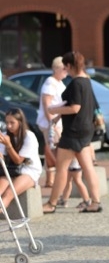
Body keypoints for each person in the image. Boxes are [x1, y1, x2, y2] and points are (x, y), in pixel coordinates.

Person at [42, 51, 102, 214]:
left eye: (66, 67)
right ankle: (95, 202)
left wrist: (54, 109)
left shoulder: (76, 83)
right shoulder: (87, 81)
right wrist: (58, 116)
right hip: (85, 129)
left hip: (73, 131)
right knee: (88, 167)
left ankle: (51, 203)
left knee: (61, 168)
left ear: (69, 66)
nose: (66, 71)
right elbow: (77, 103)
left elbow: (75, 107)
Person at [0, 108, 42, 212]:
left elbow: (19, 160)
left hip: (29, 170)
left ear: (20, 122)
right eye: (7, 122)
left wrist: (8, 145)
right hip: (11, 169)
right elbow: (2, 158)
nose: (9, 126)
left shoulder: (29, 137)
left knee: (8, 194)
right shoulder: (6, 135)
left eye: (12, 123)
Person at [37, 56, 67, 187]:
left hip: (56, 121)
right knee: (52, 149)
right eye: (63, 68)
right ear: (56, 69)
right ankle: (50, 179)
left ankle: (50, 179)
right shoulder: (50, 82)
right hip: (51, 122)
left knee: (53, 148)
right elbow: (46, 104)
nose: (66, 71)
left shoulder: (59, 83)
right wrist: (52, 123)